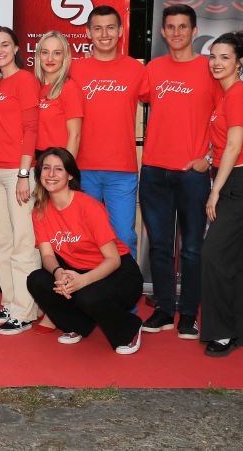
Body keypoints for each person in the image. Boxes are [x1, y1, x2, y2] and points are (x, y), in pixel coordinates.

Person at [138, 4, 220, 339]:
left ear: (194, 30)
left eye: (183, 26)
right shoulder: (153, 69)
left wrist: (209, 157)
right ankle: (163, 309)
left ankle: (188, 313)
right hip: (155, 170)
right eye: (170, 27)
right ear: (162, 32)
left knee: (192, 248)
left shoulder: (209, 69)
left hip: (192, 173)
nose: (176, 32)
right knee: (159, 246)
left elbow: (227, 119)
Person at [27, 147, 143, 354]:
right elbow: (47, 255)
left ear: (70, 175)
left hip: (118, 273)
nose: (51, 174)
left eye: (58, 169)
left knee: (86, 295)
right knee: (37, 280)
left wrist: (83, 281)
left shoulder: (88, 206)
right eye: (46, 168)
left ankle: (129, 328)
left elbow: (113, 259)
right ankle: (79, 324)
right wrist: (58, 272)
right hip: (77, 271)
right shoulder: (40, 210)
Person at [200, 32, 243, 357]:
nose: (216, 62)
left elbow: (235, 147)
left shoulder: (237, 94)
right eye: (213, 56)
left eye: (225, 57)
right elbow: (226, 144)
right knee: (236, 260)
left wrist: (215, 192)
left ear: (240, 63)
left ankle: (222, 332)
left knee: (214, 255)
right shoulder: (227, 95)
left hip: (239, 184)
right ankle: (238, 330)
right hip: (234, 181)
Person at [71, 5, 147, 255]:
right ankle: (87, 281)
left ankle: (127, 282)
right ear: (88, 33)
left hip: (122, 170)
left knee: (124, 237)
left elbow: (166, 106)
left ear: (121, 31)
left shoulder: (137, 70)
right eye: (98, 29)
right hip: (82, 168)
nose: (104, 34)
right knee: (85, 238)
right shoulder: (73, 70)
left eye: (110, 28)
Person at [0, 26, 41, 335]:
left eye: (5, 45)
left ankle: (25, 310)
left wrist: (23, 174)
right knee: (2, 242)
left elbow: (31, 129)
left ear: (17, 48)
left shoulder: (25, 80)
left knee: (23, 243)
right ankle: (10, 302)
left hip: (16, 173)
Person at [34, 30, 84, 156]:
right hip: (35, 160)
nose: (50, 58)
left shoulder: (69, 88)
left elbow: (75, 135)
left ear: (64, 57)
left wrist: (65, 166)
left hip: (58, 159)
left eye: (57, 53)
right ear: (38, 55)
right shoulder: (34, 87)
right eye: (45, 52)